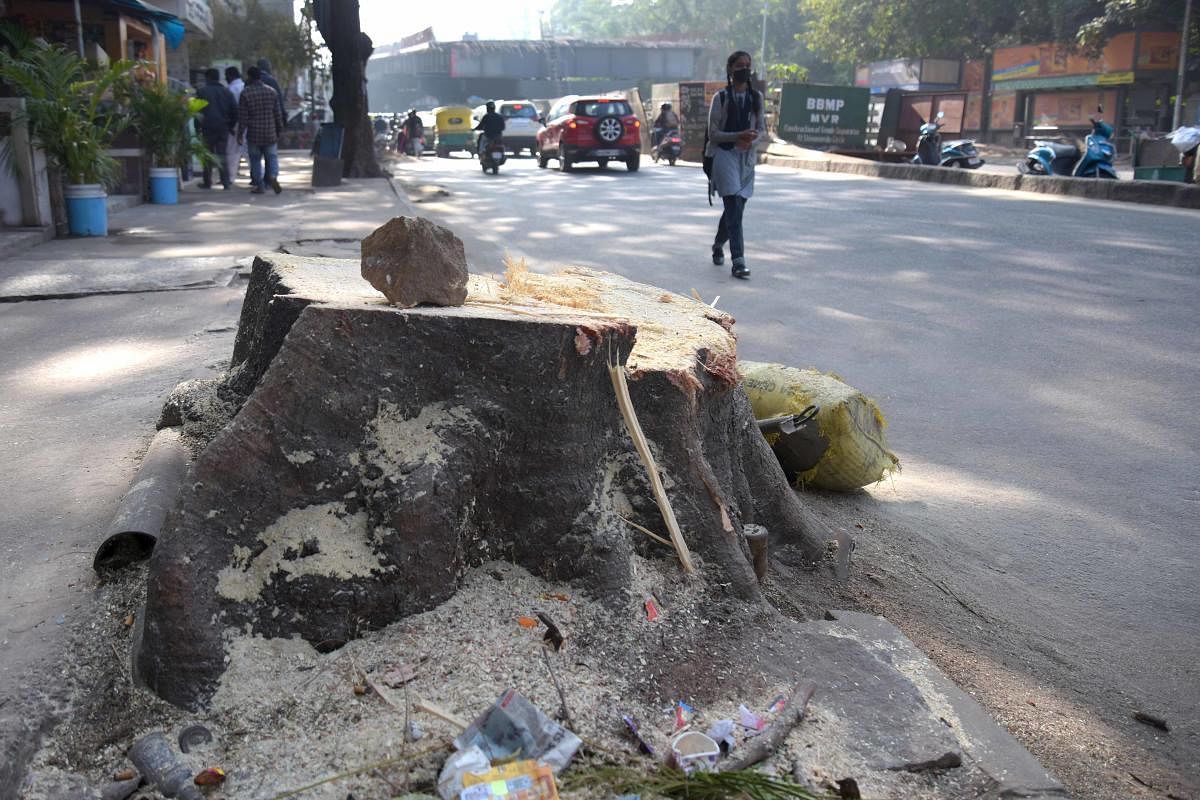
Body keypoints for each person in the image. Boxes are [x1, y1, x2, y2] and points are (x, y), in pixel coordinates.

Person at [706, 50, 765, 280]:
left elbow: (762, 130)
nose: (745, 69)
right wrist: (737, 136)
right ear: (731, 69)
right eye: (740, 65)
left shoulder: (755, 98)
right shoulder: (720, 98)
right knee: (732, 205)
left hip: (746, 159)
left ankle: (718, 243)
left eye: (748, 65)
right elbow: (713, 133)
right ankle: (738, 261)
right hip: (725, 156)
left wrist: (750, 139)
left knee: (736, 208)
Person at [237, 65, 284, 194]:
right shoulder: (271, 91)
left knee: (255, 160)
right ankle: (273, 176)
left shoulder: (245, 93)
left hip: (254, 134)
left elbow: (243, 118)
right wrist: (279, 130)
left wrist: (240, 134)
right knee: (272, 158)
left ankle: (260, 186)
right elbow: (277, 114)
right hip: (270, 132)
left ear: (250, 77)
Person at [196, 68, 237, 189]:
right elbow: (235, 111)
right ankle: (225, 182)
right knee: (222, 154)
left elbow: (197, 111)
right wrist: (230, 125)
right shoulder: (227, 92)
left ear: (208, 78)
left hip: (207, 127)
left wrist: (197, 127)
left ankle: (207, 181)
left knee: (207, 154)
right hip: (223, 127)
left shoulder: (202, 92)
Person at [224, 66, 246, 180]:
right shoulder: (244, 87)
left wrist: (230, 125)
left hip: (235, 123)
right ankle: (259, 177)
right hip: (247, 123)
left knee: (232, 151)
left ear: (230, 76)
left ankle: (230, 177)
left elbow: (230, 109)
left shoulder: (230, 89)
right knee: (248, 151)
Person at [256, 58, 287, 125]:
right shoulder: (271, 81)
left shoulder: (250, 81)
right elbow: (279, 101)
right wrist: (283, 117)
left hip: (254, 125)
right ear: (267, 67)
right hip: (269, 123)